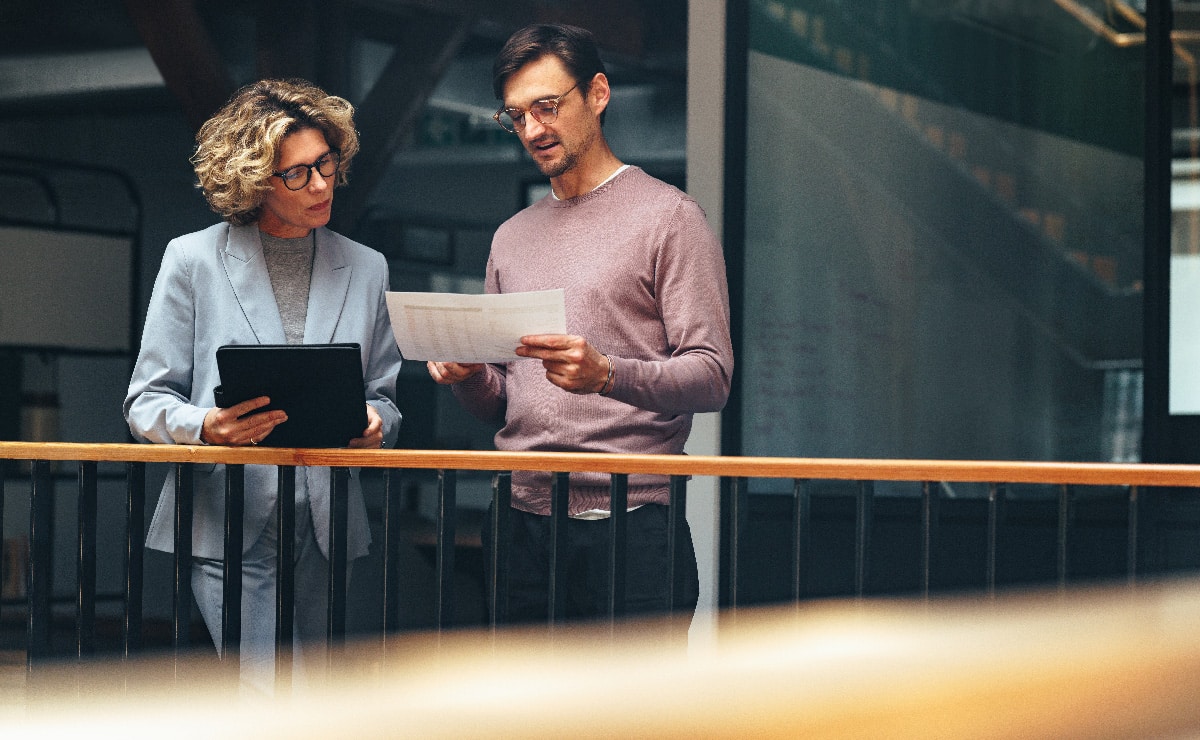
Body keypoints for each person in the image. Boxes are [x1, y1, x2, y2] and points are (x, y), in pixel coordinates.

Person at [428, 24, 733, 635]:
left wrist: (609, 376)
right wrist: (466, 377)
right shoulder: (511, 237)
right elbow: (503, 403)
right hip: (518, 521)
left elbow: (712, 375)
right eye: (516, 116)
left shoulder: (671, 218)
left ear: (597, 93)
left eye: (547, 106)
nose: (533, 130)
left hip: (632, 523)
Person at [123, 78, 402, 694]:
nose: (322, 184)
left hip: (327, 526)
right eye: (298, 174)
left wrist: (380, 424)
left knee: (315, 699)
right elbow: (146, 399)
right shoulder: (192, 260)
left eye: (326, 164)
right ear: (254, 180)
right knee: (264, 695)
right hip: (226, 516)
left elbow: (382, 394)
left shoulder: (366, 266)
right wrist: (205, 426)